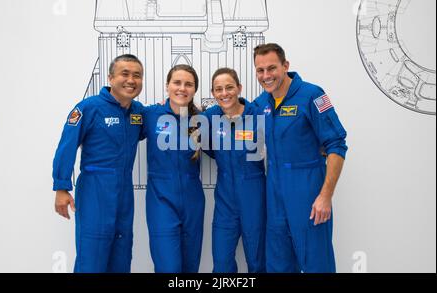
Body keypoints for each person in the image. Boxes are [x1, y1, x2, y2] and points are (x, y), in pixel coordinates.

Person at [252, 43, 348, 273]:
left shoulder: (312, 95)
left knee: (317, 263)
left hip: (307, 192)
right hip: (274, 194)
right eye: (260, 70)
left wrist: (325, 196)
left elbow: (336, 145)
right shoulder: (261, 103)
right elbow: (235, 113)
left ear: (285, 66)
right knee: (278, 263)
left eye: (271, 68)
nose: (266, 76)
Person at [52, 54, 145, 273]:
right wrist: (61, 186)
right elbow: (67, 146)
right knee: (92, 257)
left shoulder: (138, 112)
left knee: (121, 254)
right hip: (95, 189)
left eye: (137, 75)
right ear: (111, 78)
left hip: (124, 191)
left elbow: (154, 126)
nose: (131, 80)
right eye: (125, 74)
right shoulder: (89, 108)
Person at [141, 64, 205, 273]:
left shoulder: (202, 119)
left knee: (190, 266)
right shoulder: (150, 114)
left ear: (194, 89)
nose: (182, 88)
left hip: (193, 199)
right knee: (168, 267)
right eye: (177, 83)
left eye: (188, 84)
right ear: (167, 86)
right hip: (161, 199)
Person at [203, 68, 266, 273]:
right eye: (218, 89)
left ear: (239, 88)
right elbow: (190, 131)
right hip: (225, 199)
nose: (224, 93)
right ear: (213, 93)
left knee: (257, 261)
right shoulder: (209, 117)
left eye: (229, 87)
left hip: (254, 195)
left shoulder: (257, 114)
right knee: (221, 263)